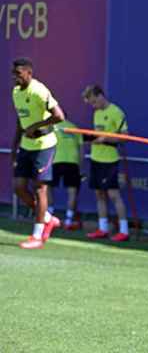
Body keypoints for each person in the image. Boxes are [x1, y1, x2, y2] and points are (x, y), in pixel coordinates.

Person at [10, 57, 66, 249]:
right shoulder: (16, 92)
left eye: (18, 73)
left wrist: (37, 126)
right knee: (18, 187)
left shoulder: (39, 90)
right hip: (26, 147)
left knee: (40, 189)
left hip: (44, 145)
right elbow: (20, 121)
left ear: (29, 73)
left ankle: (37, 235)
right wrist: (14, 147)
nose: (15, 77)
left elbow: (59, 116)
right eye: (13, 73)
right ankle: (48, 218)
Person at [82, 85, 130, 242]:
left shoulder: (116, 112)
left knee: (114, 195)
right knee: (99, 194)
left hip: (110, 160)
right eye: (92, 104)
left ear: (101, 95)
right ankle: (102, 229)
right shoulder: (96, 113)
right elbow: (98, 135)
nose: (94, 106)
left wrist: (106, 139)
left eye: (94, 102)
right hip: (96, 158)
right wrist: (92, 140)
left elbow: (125, 137)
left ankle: (124, 231)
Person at [47, 118, 84, 231]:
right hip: (73, 162)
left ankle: (49, 217)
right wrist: (80, 167)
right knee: (72, 192)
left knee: (48, 188)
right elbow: (81, 149)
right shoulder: (74, 127)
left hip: (56, 161)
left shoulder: (51, 127)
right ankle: (68, 220)